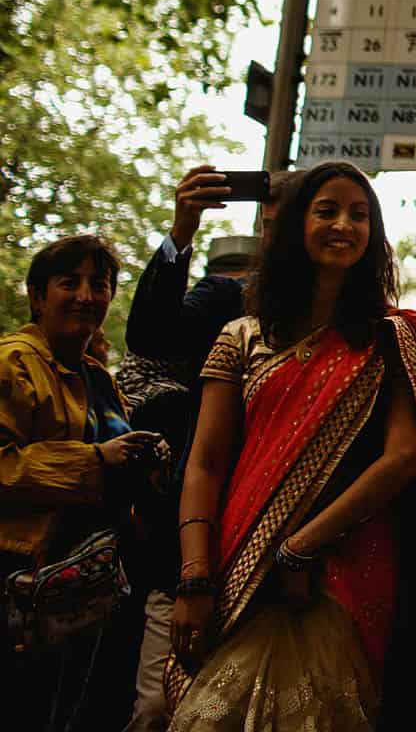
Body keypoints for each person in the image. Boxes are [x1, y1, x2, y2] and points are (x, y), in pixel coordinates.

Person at [164, 162, 416, 731]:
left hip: (341, 575)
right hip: (237, 567)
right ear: (297, 224)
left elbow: (402, 459)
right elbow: (205, 463)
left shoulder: (389, 339)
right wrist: (195, 576)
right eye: (327, 210)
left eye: (359, 214)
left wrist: (301, 547)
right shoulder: (241, 337)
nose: (343, 225)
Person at [119, 167, 290, 732]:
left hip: (290, 552)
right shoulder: (230, 300)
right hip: (199, 538)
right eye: (276, 221)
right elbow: (149, 334)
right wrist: (183, 228)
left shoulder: (363, 323)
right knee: (158, 708)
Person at [2, 234, 164, 732]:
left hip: (83, 587)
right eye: (69, 283)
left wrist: (144, 461)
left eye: (100, 284)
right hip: (19, 579)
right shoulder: (12, 363)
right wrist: (94, 459)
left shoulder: (97, 376)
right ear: (37, 296)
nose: (86, 296)